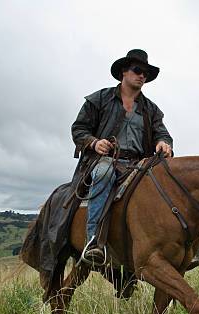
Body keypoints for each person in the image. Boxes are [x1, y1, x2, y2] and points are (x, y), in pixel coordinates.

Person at [71, 49, 173, 265]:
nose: (142, 75)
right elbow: (79, 129)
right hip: (106, 160)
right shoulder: (100, 99)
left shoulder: (151, 109)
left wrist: (163, 143)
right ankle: (94, 242)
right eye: (137, 70)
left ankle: (167, 248)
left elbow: (161, 132)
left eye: (145, 72)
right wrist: (94, 142)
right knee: (105, 173)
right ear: (123, 72)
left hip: (140, 163)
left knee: (167, 184)